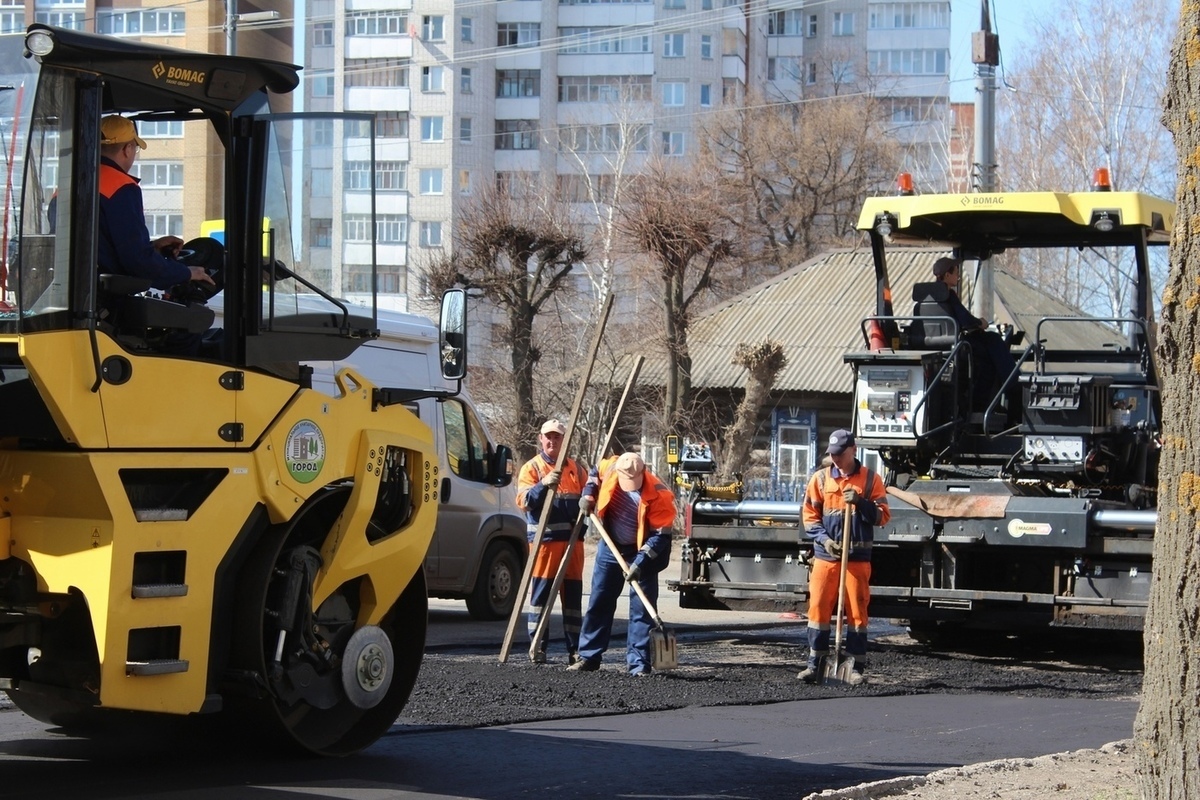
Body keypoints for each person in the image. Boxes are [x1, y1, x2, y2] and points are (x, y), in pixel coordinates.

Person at [569, 452, 676, 676]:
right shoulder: (609, 467)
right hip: (611, 546)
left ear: (643, 471)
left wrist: (640, 564)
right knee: (600, 601)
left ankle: (638, 664)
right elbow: (593, 476)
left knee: (641, 610)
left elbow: (661, 537)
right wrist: (588, 495)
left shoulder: (659, 494)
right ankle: (588, 656)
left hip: (641, 551)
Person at [798, 430, 890, 687]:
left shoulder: (871, 479)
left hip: (857, 558)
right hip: (826, 557)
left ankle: (855, 666)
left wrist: (861, 502)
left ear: (853, 450)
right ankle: (814, 664)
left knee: (857, 613)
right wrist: (826, 540)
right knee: (818, 610)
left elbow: (882, 517)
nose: (835, 459)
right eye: (832, 455)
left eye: (840, 454)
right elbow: (810, 517)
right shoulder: (820, 479)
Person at [98, 115, 214, 293]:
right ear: (127, 149)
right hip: (105, 299)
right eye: (135, 149)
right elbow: (137, 261)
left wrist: (152, 247)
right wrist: (186, 273)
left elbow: (100, 247)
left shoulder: (70, 181)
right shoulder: (121, 187)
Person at [515, 418, 588, 664]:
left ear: (564, 440)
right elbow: (523, 500)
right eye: (549, 436)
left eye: (557, 437)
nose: (552, 441)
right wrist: (542, 486)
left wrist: (590, 500)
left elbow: (590, 495)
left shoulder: (576, 470)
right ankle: (538, 648)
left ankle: (575, 650)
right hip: (544, 544)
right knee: (540, 598)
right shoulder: (532, 468)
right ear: (541, 438)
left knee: (573, 599)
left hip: (573, 544)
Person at [929, 256, 1019, 413]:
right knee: (993, 341)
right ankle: (1014, 385)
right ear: (947, 275)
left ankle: (984, 403)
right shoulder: (948, 295)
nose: (958, 275)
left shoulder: (927, 297)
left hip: (934, 343)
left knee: (988, 359)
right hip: (956, 344)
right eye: (956, 272)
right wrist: (981, 323)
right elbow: (965, 319)